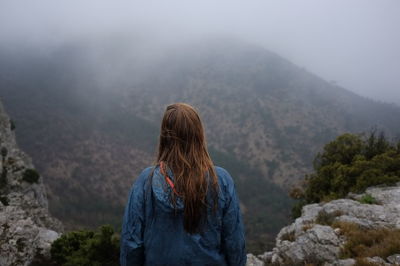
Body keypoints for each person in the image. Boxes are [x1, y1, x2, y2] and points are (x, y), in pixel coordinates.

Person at [120, 103, 246, 266]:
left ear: (165, 137)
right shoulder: (220, 180)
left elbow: (132, 243)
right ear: (198, 134)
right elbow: (234, 243)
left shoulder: (146, 181)